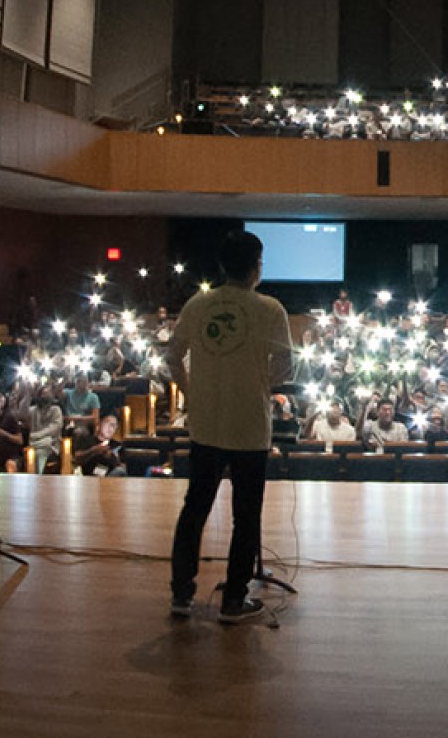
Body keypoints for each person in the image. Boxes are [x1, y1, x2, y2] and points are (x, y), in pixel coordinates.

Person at [165, 230, 293, 623]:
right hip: (249, 426)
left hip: (205, 424)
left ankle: (181, 594)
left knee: (195, 508)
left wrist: (191, 392)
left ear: (222, 266)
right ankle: (234, 600)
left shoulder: (197, 304)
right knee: (246, 515)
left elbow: (172, 357)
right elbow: (285, 367)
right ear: (256, 267)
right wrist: (259, 384)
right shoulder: (270, 309)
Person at [24, 391, 65, 473]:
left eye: (47, 393)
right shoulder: (33, 410)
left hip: (51, 443)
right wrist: (28, 394)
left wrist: (38, 435)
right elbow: (22, 414)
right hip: (35, 442)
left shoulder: (56, 410)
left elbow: (55, 427)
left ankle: (41, 475)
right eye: (43, 393)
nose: (45, 396)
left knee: (45, 446)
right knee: (35, 451)